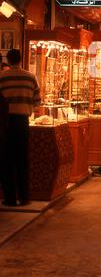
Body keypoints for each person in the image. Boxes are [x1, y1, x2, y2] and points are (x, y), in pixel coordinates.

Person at [0, 49, 41, 206]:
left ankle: (10, 198)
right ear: (20, 59)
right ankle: (24, 197)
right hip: (23, 121)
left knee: (7, 160)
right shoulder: (30, 77)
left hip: (6, 122)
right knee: (23, 159)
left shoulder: (2, 77)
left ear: (8, 60)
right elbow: (37, 101)